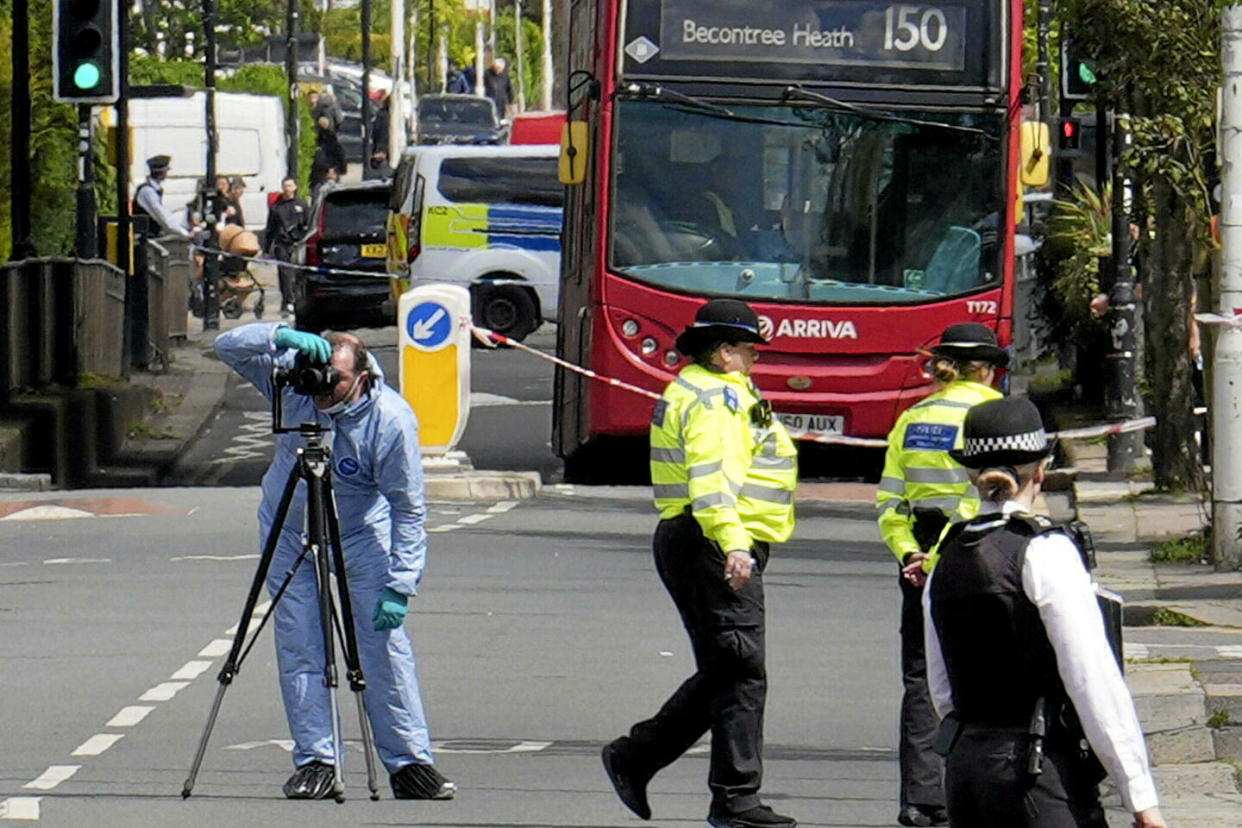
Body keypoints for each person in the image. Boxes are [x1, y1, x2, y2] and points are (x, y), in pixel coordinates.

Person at [213, 322, 456, 803]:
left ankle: (409, 762)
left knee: (382, 646)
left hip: (360, 534)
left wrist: (402, 584)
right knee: (300, 642)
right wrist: (280, 335)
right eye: (316, 375)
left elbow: (408, 507)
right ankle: (317, 761)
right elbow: (226, 346)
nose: (321, 388)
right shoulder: (295, 384)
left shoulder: (390, 421)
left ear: (362, 378)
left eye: (335, 380)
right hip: (288, 527)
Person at [923, 396, 1166, 828]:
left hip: (966, 770)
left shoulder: (948, 554)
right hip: (1038, 771)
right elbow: (1092, 679)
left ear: (971, 473)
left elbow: (942, 690)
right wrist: (1140, 796)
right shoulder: (1045, 550)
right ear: (1040, 470)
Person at [602, 299, 799, 828]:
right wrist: (735, 543)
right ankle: (732, 797)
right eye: (751, 350)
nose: (757, 359)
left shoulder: (701, 388)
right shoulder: (717, 401)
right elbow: (712, 480)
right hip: (712, 538)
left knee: (729, 668)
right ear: (725, 352)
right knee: (741, 671)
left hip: (698, 537)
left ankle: (640, 758)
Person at [875, 322, 1007, 828]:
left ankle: (921, 798)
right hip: (981, 553)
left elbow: (891, 501)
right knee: (985, 675)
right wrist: (941, 553)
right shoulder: (993, 416)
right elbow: (987, 498)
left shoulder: (912, 418)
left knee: (921, 677)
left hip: (918, 559)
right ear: (987, 369)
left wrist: (912, 554)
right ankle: (975, 794)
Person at [264, 178, 311, 317]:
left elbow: (308, 224)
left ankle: (298, 299)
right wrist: (267, 249)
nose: (287, 189)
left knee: (299, 273)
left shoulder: (302, 205)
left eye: (290, 186)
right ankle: (287, 301)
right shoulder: (277, 207)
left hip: (298, 244)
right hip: (282, 243)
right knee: (284, 273)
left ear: (295, 187)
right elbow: (270, 229)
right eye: (285, 186)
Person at [132, 155, 191, 239]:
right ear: (162, 172)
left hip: (150, 236)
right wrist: (184, 233)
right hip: (144, 238)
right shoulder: (147, 191)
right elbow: (161, 216)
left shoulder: (154, 189)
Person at [311, 116, 348, 189]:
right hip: (333, 170)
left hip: (320, 173)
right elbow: (341, 155)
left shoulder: (316, 140)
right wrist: (342, 169)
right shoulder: (333, 140)